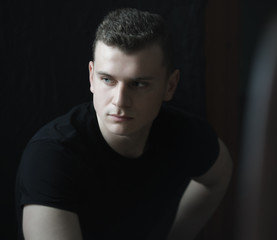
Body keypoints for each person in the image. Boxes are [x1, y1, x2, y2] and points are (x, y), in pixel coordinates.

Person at [15, 8, 232, 240]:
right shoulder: (51, 157)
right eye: (107, 79)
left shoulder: (185, 134)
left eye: (138, 84)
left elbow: (219, 175)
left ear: (170, 86)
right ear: (91, 77)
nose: (119, 101)